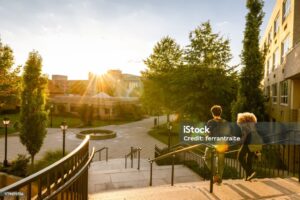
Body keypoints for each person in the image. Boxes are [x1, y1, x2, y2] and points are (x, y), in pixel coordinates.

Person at [204, 105, 230, 184]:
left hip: (213, 144)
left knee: (207, 158)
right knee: (220, 162)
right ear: (220, 113)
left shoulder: (210, 122)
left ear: (212, 113)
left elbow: (207, 134)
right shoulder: (225, 122)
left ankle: (215, 175)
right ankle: (219, 179)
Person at [237, 112, 258, 181]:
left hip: (247, 143)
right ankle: (248, 177)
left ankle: (251, 172)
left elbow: (244, 136)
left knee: (240, 157)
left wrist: (240, 141)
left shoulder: (244, 126)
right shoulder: (252, 126)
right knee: (249, 160)